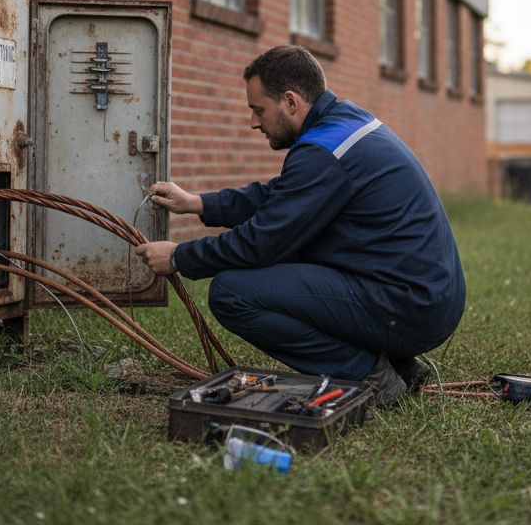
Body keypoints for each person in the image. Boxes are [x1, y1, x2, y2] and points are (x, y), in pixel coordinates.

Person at [134, 45, 466, 405]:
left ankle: (368, 374)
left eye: (258, 110)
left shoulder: (323, 153)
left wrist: (180, 257)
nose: (254, 122)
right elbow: (280, 196)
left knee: (232, 293)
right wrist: (198, 203)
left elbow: (261, 243)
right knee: (296, 261)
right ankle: (399, 365)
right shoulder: (343, 125)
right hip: (427, 298)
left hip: (411, 307)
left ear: (290, 102)